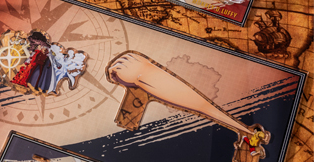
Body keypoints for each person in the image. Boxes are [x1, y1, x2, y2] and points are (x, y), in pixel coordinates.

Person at [106, 51, 267, 144]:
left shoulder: (137, 72)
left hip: (137, 71)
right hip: (136, 71)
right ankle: (245, 130)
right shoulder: (134, 73)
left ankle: (245, 130)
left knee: (205, 108)